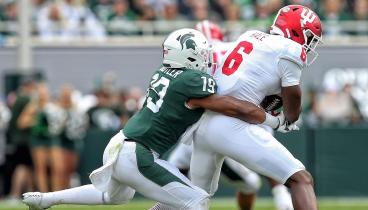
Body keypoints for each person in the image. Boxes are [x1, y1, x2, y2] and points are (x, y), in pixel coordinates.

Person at [23, 28, 284, 210]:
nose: (207, 59)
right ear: (189, 56)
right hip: (138, 152)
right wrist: (270, 118)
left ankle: (46, 199)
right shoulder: (192, 80)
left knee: (113, 197)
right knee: (197, 200)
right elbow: (229, 105)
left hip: (120, 143)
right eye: (203, 54)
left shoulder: (165, 73)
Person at [187, 5, 322, 210]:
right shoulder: (290, 49)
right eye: (310, 38)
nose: (310, 45)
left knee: (191, 199)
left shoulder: (251, 35)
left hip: (204, 124)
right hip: (231, 125)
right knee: (301, 178)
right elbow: (293, 107)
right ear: (297, 30)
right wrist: (286, 120)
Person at [161, 20, 294, 210]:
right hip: (230, 123)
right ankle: (281, 196)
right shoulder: (239, 48)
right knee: (252, 180)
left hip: (199, 126)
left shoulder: (194, 57)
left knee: (178, 181)